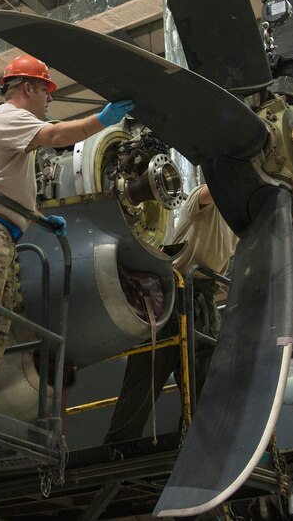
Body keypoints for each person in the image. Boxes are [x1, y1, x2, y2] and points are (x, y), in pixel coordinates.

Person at [0, 54, 135, 408]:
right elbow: (59, 135)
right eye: (46, 90)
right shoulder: (9, 118)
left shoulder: (15, 130)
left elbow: (6, 186)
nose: (49, 99)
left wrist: (38, 217)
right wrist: (103, 120)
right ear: (28, 87)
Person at [104, 183, 238, 442]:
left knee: (210, 380)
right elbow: (212, 190)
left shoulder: (236, 220)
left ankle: (194, 444)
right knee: (143, 382)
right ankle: (118, 448)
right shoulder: (201, 201)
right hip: (174, 295)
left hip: (203, 300)